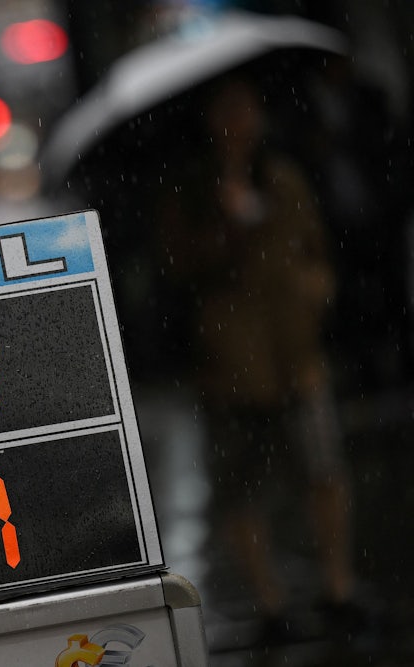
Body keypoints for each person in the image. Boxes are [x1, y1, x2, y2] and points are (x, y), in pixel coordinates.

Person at [157, 74, 361, 646]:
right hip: (232, 367)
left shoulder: (284, 177)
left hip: (297, 356)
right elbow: (177, 268)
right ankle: (270, 601)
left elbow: (316, 252)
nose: (241, 121)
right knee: (241, 488)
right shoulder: (190, 192)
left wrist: (312, 291)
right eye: (229, 110)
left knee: (323, 473)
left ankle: (337, 587)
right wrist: (224, 225)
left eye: (249, 108)